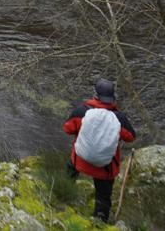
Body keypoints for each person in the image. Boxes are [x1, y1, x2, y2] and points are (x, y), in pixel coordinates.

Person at [63, 78, 136, 222]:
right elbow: (131, 137)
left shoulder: (81, 111)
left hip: (80, 161)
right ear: (112, 98)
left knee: (70, 168)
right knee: (103, 196)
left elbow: (67, 128)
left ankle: (64, 196)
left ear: (95, 95)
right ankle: (100, 219)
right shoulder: (119, 118)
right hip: (105, 168)